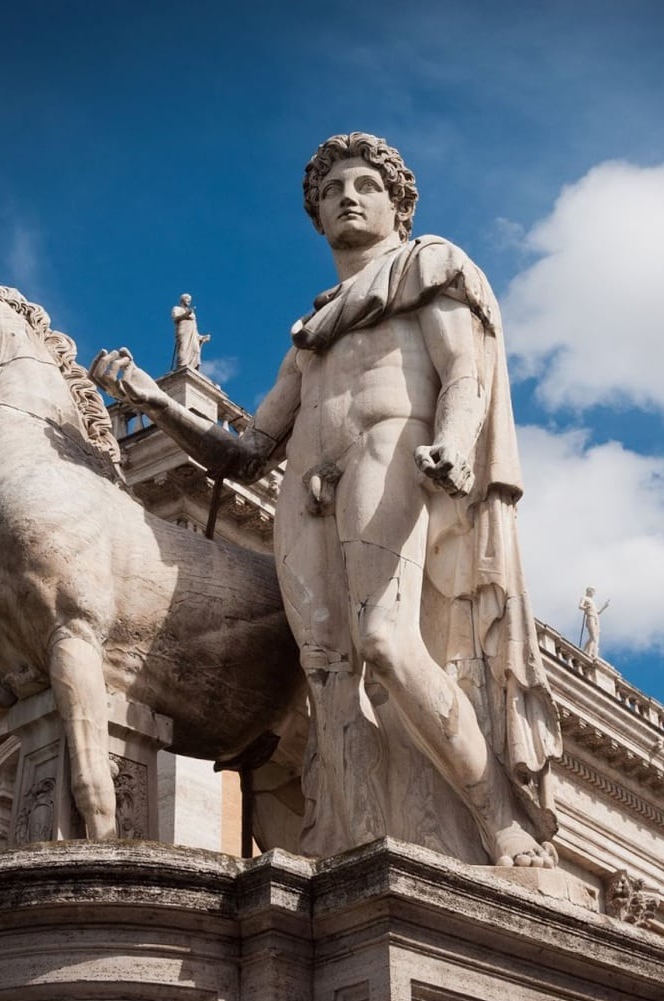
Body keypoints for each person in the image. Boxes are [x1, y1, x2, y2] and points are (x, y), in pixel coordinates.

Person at [91, 132, 560, 868]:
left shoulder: (423, 266)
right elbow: (245, 454)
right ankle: (354, 838)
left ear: (398, 207)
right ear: (316, 215)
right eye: (332, 189)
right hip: (307, 484)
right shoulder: (311, 334)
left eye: (366, 185)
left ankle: (499, 820)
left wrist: (453, 440)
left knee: (384, 641)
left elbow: (465, 368)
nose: (347, 196)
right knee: (328, 676)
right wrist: (156, 402)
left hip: (392, 447)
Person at [170, 293, 211, 372]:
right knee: (183, 349)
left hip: (192, 333)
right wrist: (186, 314)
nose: (189, 301)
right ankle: (181, 368)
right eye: (187, 298)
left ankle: (193, 370)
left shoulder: (192, 313)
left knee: (196, 350)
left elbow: (194, 329)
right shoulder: (177, 308)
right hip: (183, 331)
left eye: (190, 299)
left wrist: (201, 337)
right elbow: (176, 318)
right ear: (182, 299)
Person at [578, 586, 608, 660]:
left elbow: (598, 612)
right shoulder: (584, 598)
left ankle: (591, 653)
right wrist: (585, 608)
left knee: (596, 638)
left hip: (596, 618)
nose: (593, 594)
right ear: (589, 591)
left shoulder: (592, 601)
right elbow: (580, 606)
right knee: (593, 636)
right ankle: (585, 652)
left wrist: (604, 606)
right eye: (592, 592)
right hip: (590, 617)